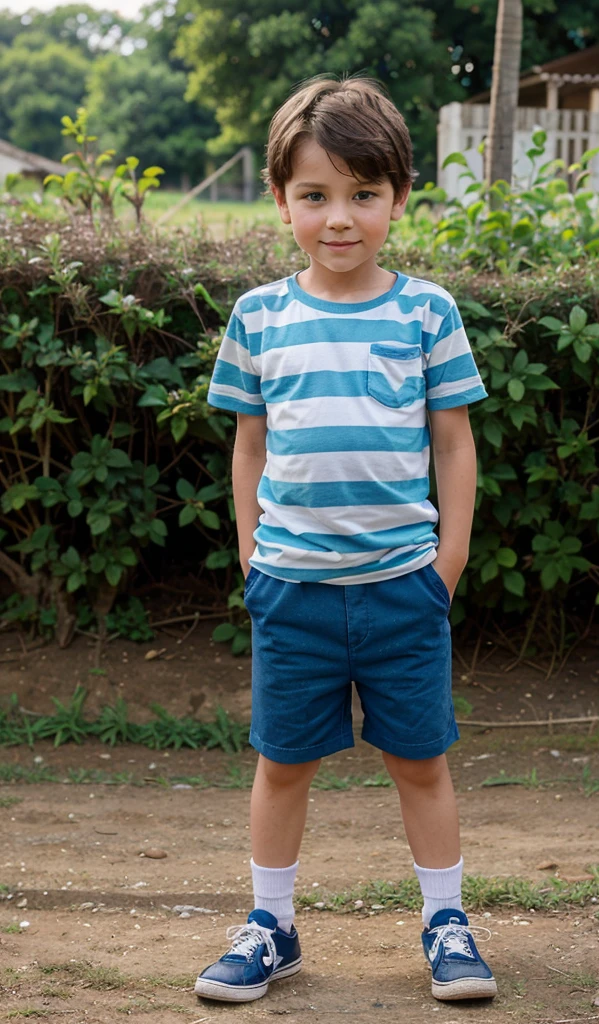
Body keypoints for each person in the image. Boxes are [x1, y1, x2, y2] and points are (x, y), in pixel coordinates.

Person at [195, 75, 495, 1005]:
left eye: (364, 194)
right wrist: (252, 556)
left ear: (398, 198)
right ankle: (270, 925)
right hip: (292, 588)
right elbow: (250, 443)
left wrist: (444, 567)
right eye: (315, 195)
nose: (339, 218)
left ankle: (447, 921)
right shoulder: (259, 317)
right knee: (283, 763)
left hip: (405, 585)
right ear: (280, 197)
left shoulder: (427, 313)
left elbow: (454, 441)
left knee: (421, 760)